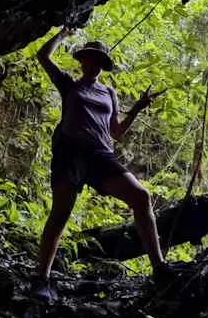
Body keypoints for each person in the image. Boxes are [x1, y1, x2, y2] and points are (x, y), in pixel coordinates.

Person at [33, 26, 173, 300]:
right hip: (70, 152)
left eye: (100, 60)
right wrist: (63, 34)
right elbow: (43, 56)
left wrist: (137, 108)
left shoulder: (109, 92)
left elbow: (116, 132)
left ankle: (159, 269)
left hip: (101, 155)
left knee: (141, 197)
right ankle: (41, 278)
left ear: (103, 65)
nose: (94, 63)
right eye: (90, 57)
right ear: (82, 60)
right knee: (61, 213)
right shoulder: (68, 85)